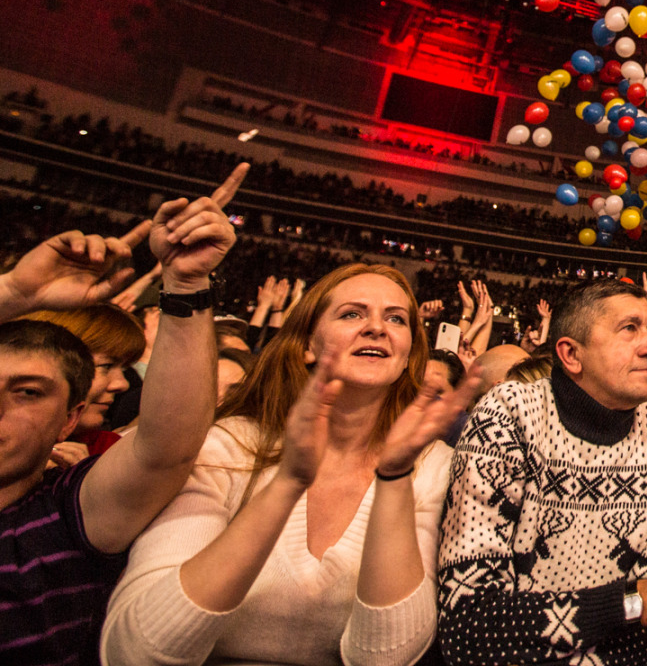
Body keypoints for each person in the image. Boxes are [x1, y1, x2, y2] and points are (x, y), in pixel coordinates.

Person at [102, 262, 483, 666]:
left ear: (409, 355)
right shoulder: (228, 446)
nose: (377, 328)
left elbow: (387, 658)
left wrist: (392, 479)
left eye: (396, 318)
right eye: (352, 313)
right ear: (307, 344)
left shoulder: (432, 468)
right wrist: (287, 484)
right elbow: (136, 651)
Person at [1, 164, 246, 666]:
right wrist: (13, 296)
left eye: (27, 392)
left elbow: (166, 449)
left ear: (69, 418)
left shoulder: (62, 513)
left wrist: (185, 282)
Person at [437, 277, 647, 666]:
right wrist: (635, 602)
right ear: (571, 354)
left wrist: (642, 607)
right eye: (629, 329)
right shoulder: (509, 414)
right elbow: (469, 627)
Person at [17, 305, 146, 463]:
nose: (122, 384)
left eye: (124, 369)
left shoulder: (107, 451)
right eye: (106, 366)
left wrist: (81, 480)